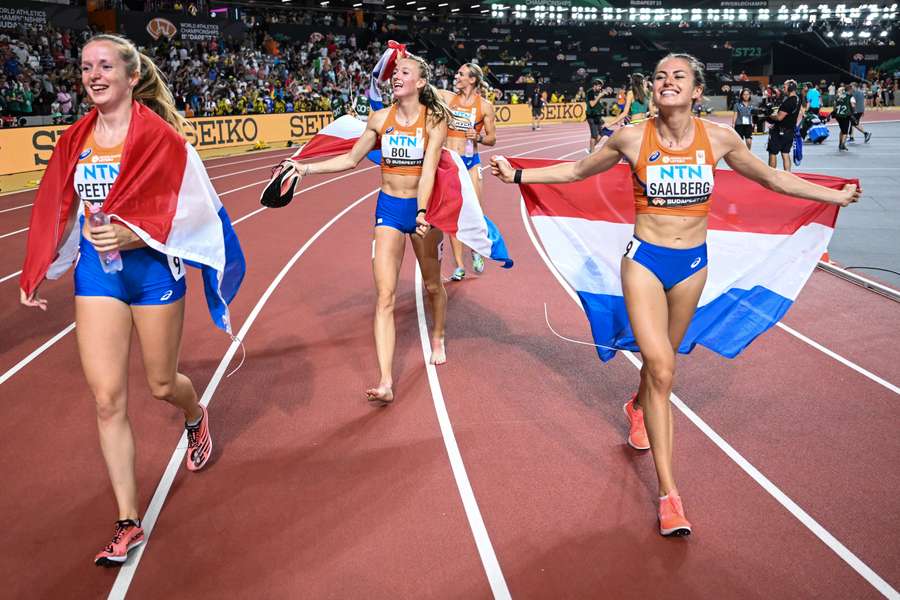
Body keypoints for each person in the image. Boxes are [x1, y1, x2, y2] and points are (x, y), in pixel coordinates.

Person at [490, 53, 858, 537]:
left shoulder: (719, 138)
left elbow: (772, 178)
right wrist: (519, 175)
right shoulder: (631, 136)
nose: (667, 82)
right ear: (653, 89)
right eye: (660, 76)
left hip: (692, 267)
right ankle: (669, 495)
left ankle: (638, 406)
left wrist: (830, 196)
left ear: (695, 90)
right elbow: (578, 172)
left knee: (660, 366)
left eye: (677, 77)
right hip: (643, 261)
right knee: (663, 368)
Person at [19, 34, 243, 566]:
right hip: (98, 275)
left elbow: (196, 214)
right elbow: (60, 204)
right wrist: (37, 267)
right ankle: (128, 521)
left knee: (162, 382)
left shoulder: (164, 141)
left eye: (104, 66)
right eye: (85, 67)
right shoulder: (76, 141)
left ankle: (194, 414)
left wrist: (135, 237)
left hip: (151, 272)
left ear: (131, 76)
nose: (93, 75)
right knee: (106, 398)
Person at [269, 53, 449, 404]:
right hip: (389, 209)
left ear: (421, 83)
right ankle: (385, 381)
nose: (396, 77)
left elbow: (429, 171)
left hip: (422, 209)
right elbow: (351, 159)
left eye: (405, 73)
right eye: (395, 72)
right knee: (384, 296)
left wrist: (424, 211)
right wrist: (305, 169)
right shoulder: (380, 119)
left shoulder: (434, 121)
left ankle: (439, 334)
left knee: (431, 283)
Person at [438, 63, 497, 281]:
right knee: (453, 215)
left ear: (472, 80)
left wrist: (478, 137)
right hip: (451, 164)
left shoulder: (485, 106)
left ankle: (476, 250)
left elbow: (492, 139)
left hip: (471, 162)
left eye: (461, 74)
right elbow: (423, 84)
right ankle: (459, 266)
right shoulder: (447, 97)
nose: (456, 76)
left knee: (475, 212)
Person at [766, 79, 801, 172]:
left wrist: (768, 115)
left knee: (773, 153)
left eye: (784, 87)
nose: (783, 89)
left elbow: (779, 117)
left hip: (780, 131)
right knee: (785, 153)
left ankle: (772, 175)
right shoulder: (798, 99)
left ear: (790, 87)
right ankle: (788, 175)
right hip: (790, 130)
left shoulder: (789, 101)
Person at [585, 78, 606, 153]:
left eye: (601, 86)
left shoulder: (598, 92)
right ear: (594, 85)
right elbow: (592, 104)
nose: (600, 88)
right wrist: (599, 96)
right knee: (594, 135)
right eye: (599, 86)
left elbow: (598, 102)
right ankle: (592, 152)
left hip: (598, 116)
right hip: (591, 116)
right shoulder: (590, 92)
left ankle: (591, 149)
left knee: (601, 133)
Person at [832, 84, 854, 152]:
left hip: (838, 115)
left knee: (842, 129)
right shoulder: (849, 96)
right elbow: (853, 104)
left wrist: (834, 112)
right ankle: (843, 144)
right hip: (845, 115)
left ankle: (840, 143)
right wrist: (852, 111)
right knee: (845, 132)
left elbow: (834, 105)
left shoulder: (837, 97)